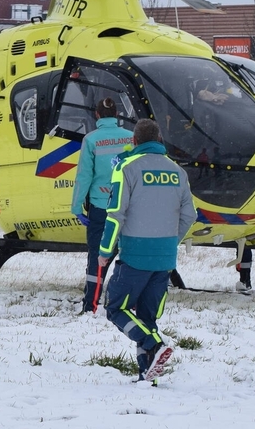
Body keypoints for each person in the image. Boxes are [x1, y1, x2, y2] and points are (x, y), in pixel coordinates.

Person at [98, 119, 196, 383]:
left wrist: (105, 250)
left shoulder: (126, 168)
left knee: (115, 308)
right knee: (146, 316)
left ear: (134, 141)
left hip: (135, 254)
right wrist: (170, 241)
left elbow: (115, 214)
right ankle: (147, 375)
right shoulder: (177, 171)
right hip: (165, 257)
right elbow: (190, 215)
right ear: (159, 140)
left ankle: (153, 345)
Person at [69, 97, 135, 314]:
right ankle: (129, 302)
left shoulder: (91, 140)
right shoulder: (131, 137)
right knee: (129, 256)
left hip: (100, 207)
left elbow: (84, 176)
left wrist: (77, 207)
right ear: (117, 115)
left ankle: (91, 306)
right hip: (127, 206)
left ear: (97, 115)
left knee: (98, 257)